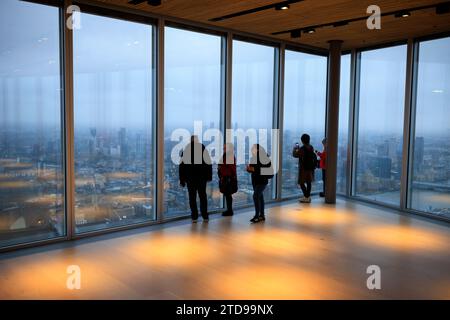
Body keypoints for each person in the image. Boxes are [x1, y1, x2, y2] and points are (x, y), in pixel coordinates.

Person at [179, 135, 212, 223]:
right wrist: (209, 176)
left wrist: (182, 179)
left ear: (190, 141)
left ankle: (194, 216)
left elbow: (181, 167)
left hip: (190, 178)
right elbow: (208, 163)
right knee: (202, 196)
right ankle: (205, 215)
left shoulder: (186, 150)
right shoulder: (202, 148)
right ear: (198, 140)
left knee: (192, 197)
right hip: (201, 178)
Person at [246, 144, 273, 223]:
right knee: (260, 197)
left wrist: (254, 169)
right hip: (255, 181)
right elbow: (252, 169)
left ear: (257, 150)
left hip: (262, 181)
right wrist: (249, 169)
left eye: (253, 149)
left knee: (256, 196)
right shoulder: (253, 158)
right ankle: (262, 215)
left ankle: (257, 216)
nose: (251, 150)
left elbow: (267, 171)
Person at [293, 134, 317, 203]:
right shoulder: (311, 147)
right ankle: (307, 197)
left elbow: (295, 155)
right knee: (309, 182)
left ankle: (306, 196)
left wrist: (295, 148)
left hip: (303, 168)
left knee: (301, 182)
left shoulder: (302, 149)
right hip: (310, 168)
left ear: (302, 140)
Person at [218, 143, 238, 216]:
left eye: (225, 148)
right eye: (224, 147)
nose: (224, 149)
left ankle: (229, 210)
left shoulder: (229, 156)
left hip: (228, 178)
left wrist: (221, 167)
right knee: (227, 195)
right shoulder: (227, 155)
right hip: (227, 178)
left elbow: (231, 168)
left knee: (228, 194)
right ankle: (229, 210)